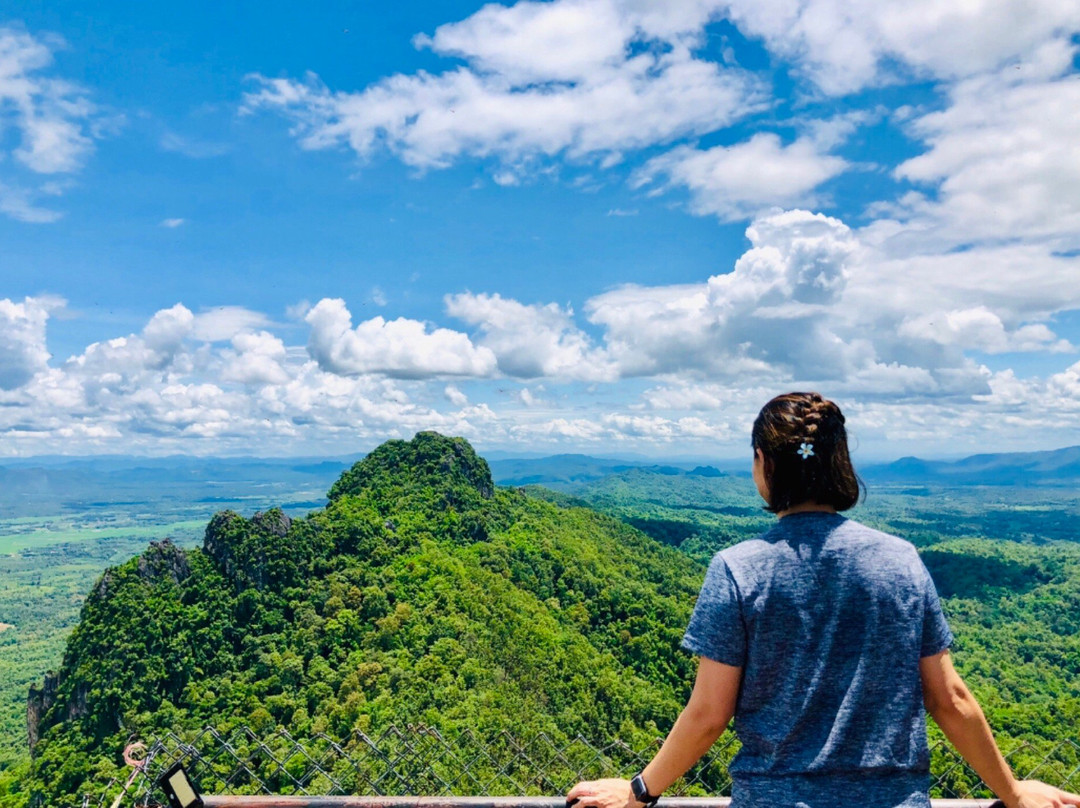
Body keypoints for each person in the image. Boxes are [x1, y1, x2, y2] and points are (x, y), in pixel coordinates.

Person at [567, 392, 1080, 808]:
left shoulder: (738, 568)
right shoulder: (901, 560)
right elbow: (949, 699)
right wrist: (1013, 793)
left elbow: (708, 714)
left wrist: (638, 791)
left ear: (763, 462)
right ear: (841, 465)